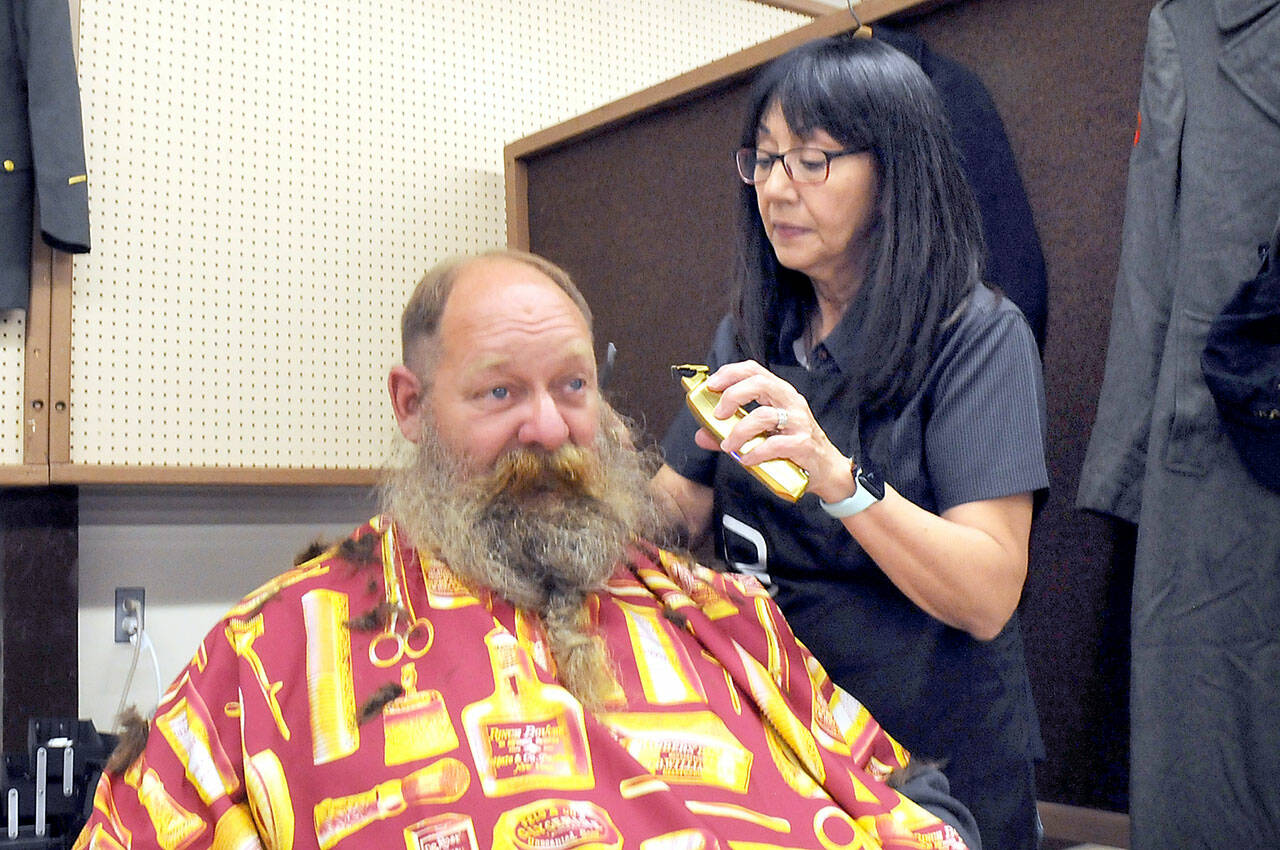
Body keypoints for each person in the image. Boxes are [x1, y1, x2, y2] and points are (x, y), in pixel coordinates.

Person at [73, 249, 979, 850]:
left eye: (572, 385)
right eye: (500, 392)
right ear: (411, 404)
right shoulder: (274, 654)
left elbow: (907, 801)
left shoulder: (717, 616)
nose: (548, 427)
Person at [652, 36, 1048, 850]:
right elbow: (671, 509)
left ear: (895, 171)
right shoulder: (753, 333)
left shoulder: (976, 336)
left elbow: (986, 592)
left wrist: (838, 478)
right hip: (790, 748)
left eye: (811, 160)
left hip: (937, 763)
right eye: (762, 161)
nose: (776, 189)